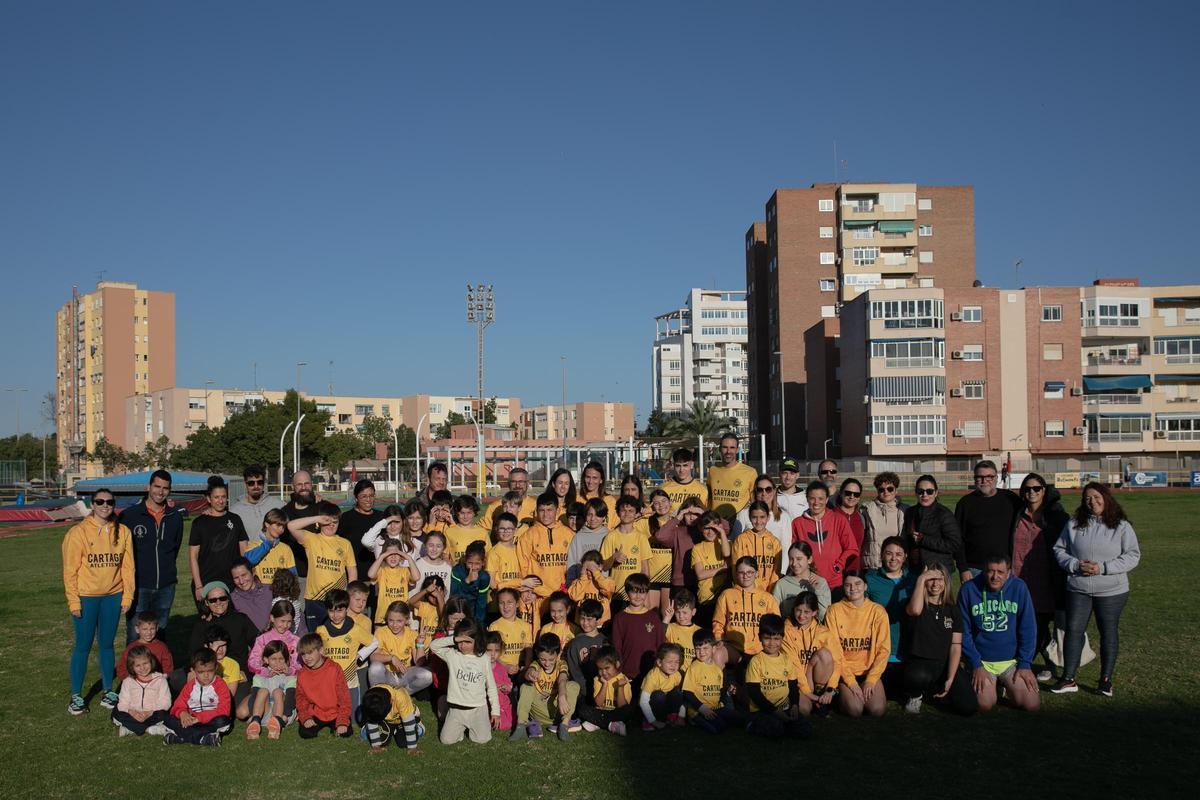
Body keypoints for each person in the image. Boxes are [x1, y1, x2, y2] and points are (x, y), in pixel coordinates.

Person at [1052, 482, 1141, 698]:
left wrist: (1103, 568)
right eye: (1088, 498)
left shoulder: (1121, 526)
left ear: (1106, 498)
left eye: (1097, 497)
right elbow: (1059, 549)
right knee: (1073, 630)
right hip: (1078, 588)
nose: (1092, 502)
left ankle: (1105, 680)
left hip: (1112, 591)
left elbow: (1132, 555)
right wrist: (1075, 565)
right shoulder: (1074, 524)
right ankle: (1068, 678)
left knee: (1108, 632)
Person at [63, 488, 133, 715]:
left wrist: (127, 595)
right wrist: (74, 601)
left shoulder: (123, 531)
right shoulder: (77, 533)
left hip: (112, 597)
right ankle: (76, 695)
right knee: (83, 646)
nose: (105, 506)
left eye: (109, 502)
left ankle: (108, 690)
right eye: (100, 501)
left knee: (107, 644)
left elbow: (128, 567)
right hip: (86, 597)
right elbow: (70, 571)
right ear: (92, 504)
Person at [958, 555, 1040, 712]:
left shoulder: (1019, 587)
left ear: (1008, 572)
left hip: (1010, 662)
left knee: (1032, 705)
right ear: (983, 571)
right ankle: (987, 683)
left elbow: (1028, 628)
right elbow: (963, 631)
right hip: (982, 662)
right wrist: (976, 664)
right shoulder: (968, 589)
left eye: (1000, 572)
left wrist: (1024, 663)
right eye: (990, 571)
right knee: (984, 704)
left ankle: (1003, 684)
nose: (995, 577)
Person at [1011, 473, 1069, 681]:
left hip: (1045, 579)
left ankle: (1028, 664)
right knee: (1023, 623)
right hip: (1019, 578)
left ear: (1044, 490)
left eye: (1036, 488)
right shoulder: (1017, 514)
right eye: (1027, 489)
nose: (1032, 492)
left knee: (1039, 624)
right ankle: (1045, 662)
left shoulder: (1056, 516)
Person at [901, 564, 976, 716]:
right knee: (917, 677)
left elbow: (956, 646)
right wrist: (921, 578)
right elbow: (914, 611)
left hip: (944, 665)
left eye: (940, 579)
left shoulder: (952, 610)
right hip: (921, 663)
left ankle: (939, 689)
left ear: (946, 582)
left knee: (968, 707)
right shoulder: (916, 604)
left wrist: (950, 678)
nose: (935, 584)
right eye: (931, 579)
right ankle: (916, 695)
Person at [119, 469, 184, 641]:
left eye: (165, 488)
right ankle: (133, 661)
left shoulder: (175, 517)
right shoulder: (130, 515)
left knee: (159, 633)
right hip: (139, 585)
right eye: (157, 486)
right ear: (148, 487)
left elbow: (174, 548)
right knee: (135, 634)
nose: (160, 492)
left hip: (166, 585)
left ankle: (158, 660)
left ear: (170, 490)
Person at [824, 569, 889, 717]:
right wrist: (850, 682)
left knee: (877, 710)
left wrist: (871, 680)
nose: (853, 588)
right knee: (855, 710)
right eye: (848, 585)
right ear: (843, 587)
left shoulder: (878, 612)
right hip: (845, 672)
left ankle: (864, 690)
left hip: (868, 672)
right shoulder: (834, 611)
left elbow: (883, 650)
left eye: (858, 584)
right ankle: (839, 694)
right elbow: (835, 651)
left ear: (865, 586)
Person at [286, 502, 357, 629]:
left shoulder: (345, 543)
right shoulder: (311, 539)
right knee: (315, 636)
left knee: (335, 635)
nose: (331, 525)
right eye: (327, 521)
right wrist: (317, 518)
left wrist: (349, 598)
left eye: (335, 522)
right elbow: (291, 526)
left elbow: (352, 572)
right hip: (314, 598)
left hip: (336, 600)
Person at [183, 581, 258, 694]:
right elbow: (193, 653)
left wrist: (249, 672)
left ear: (228, 599)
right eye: (213, 600)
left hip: (238, 673)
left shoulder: (240, 619)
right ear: (207, 603)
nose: (218, 602)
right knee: (177, 677)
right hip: (208, 672)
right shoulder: (202, 625)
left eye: (222, 598)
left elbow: (258, 644)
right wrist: (193, 670)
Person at [432, 620, 500, 744]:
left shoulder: (484, 659)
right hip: (456, 709)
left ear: (476, 640)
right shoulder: (452, 655)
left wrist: (495, 711)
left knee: (482, 739)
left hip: (478, 709)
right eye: (460, 641)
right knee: (446, 740)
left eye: (468, 641)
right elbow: (433, 646)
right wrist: (454, 639)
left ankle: (470, 727)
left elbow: (491, 687)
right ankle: (448, 712)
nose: (463, 645)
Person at [955, 460, 1022, 583]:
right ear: (974, 479)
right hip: (974, 569)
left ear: (996, 478)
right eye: (979, 477)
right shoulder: (965, 504)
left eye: (989, 477)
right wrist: (963, 568)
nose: (984, 480)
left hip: (1004, 569)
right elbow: (957, 539)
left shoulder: (1011, 500)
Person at [744, 614, 810, 738]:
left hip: (785, 709)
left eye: (776, 639)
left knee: (805, 729)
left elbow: (793, 687)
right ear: (760, 637)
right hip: (763, 710)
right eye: (767, 638)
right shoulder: (756, 662)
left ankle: (785, 725)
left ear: (782, 638)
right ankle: (752, 724)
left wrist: (795, 705)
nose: (772, 643)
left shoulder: (786, 660)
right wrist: (774, 711)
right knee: (776, 728)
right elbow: (754, 693)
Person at [188, 476, 250, 608]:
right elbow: (193, 556)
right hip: (206, 581)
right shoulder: (199, 523)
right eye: (216, 497)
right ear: (209, 499)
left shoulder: (235, 519)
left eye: (223, 497)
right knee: (209, 619)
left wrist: (247, 577)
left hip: (232, 582)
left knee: (233, 618)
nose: (220, 501)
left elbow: (244, 552)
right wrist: (198, 585)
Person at [243, 600, 301, 738]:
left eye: (289, 622)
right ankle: (257, 719)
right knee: (242, 712)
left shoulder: (295, 640)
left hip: (285, 685)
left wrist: (289, 670)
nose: (285, 625)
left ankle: (279, 719)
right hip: (266, 682)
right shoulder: (262, 639)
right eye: (282, 621)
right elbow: (252, 662)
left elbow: (300, 665)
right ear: (272, 618)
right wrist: (265, 671)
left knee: (278, 694)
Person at [865, 536, 916, 689]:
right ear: (882, 555)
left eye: (898, 554)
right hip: (880, 650)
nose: (893, 558)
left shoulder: (914, 580)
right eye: (889, 553)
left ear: (905, 557)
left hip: (907, 648)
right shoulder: (870, 579)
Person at [316, 588, 376, 715]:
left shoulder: (355, 629)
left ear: (346, 609)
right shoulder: (321, 630)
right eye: (331, 611)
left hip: (350, 680)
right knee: (331, 715)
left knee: (353, 718)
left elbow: (374, 642)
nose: (335, 615)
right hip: (329, 680)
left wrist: (360, 656)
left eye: (339, 611)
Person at [782, 592, 842, 717]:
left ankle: (821, 696)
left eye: (806, 612)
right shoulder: (786, 630)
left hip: (814, 677)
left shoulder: (823, 632)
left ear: (814, 612)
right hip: (796, 679)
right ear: (793, 609)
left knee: (825, 654)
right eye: (798, 610)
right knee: (804, 710)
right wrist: (807, 693)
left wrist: (830, 688)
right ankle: (816, 702)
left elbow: (837, 662)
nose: (801, 615)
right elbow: (794, 665)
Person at [791, 481, 857, 594]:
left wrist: (838, 565)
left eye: (821, 498)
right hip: (807, 582)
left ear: (827, 499)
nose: (816, 502)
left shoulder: (838, 520)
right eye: (812, 498)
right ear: (807, 499)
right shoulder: (797, 523)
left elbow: (852, 548)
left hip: (835, 583)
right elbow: (794, 553)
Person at [511, 632, 580, 741]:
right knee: (526, 686)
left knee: (573, 685)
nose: (547, 664)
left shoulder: (561, 664)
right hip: (539, 711)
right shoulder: (536, 664)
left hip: (559, 710)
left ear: (558, 654)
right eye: (543, 659)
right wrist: (530, 674)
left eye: (551, 660)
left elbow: (562, 679)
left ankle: (564, 725)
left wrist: (562, 696)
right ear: (537, 654)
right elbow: (529, 671)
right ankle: (521, 725)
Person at [712, 557, 781, 661]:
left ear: (756, 573)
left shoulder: (767, 598)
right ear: (736, 574)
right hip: (734, 649)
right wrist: (719, 639)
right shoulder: (727, 595)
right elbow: (718, 623)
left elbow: (776, 626)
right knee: (717, 653)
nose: (745, 576)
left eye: (750, 572)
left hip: (761, 650)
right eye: (741, 572)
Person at [162, 648, 232, 746]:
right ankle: (204, 738)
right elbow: (177, 706)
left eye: (210, 671)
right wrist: (182, 713)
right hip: (191, 721)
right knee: (168, 719)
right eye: (201, 672)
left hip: (210, 721)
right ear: (193, 670)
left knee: (223, 721)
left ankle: (180, 738)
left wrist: (199, 718)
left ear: (216, 668)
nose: (206, 675)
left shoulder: (220, 685)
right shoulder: (190, 686)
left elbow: (224, 710)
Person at [516, 493, 575, 608]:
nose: (545, 514)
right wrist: (527, 590)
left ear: (557, 511)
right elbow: (522, 566)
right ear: (536, 511)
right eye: (542, 510)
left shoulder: (569, 534)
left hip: (563, 594)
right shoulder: (528, 536)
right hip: (538, 595)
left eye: (549, 510)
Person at [295, 633, 352, 739]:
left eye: (310, 652)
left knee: (346, 732)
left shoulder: (334, 669)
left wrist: (342, 721)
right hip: (316, 713)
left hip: (335, 712)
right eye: (303, 654)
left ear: (321, 650)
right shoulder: (302, 674)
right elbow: (300, 698)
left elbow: (344, 697)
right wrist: (306, 717)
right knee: (306, 733)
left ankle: (338, 725)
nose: (306, 657)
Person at [683, 629, 741, 733]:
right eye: (697, 649)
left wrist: (728, 692)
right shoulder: (694, 668)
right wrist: (703, 709)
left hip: (715, 709)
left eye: (705, 648)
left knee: (738, 718)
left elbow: (720, 692)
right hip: (699, 711)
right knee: (720, 727)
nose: (701, 652)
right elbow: (687, 693)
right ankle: (695, 721)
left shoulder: (717, 669)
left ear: (713, 649)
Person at [369, 600, 433, 694]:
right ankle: (380, 695)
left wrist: (420, 644)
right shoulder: (381, 632)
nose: (395, 625)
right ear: (387, 619)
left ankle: (403, 694)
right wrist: (391, 658)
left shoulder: (412, 634)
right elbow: (373, 657)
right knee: (375, 667)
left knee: (428, 674)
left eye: (399, 621)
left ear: (406, 620)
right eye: (391, 620)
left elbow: (419, 663)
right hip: (388, 675)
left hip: (405, 674)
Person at [902, 475, 962, 573]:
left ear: (936, 493)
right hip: (913, 569)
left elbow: (954, 544)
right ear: (916, 493)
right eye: (920, 491)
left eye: (929, 491)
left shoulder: (944, 514)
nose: (924, 495)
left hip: (938, 570)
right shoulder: (910, 512)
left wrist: (923, 539)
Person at [610, 572, 664, 681]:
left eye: (642, 592)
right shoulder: (620, 618)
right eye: (634, 592)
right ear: (627, 592)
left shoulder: (653, 617)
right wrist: (619, 669)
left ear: (647, 593)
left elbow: (660, 644)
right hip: (627, 673)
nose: (638, 596)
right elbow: (616, 647)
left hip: (651, 674)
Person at [111, 645, 171, 737]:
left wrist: (149, 712)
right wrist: (132, 712)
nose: (142, 668)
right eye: (138, 665)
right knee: (116, 712)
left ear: (151, 662)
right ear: (132, 667)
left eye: (145, 663)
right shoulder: (128, 682)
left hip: (152, 713)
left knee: (164, 714)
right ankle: (148, 729)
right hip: (133, 714)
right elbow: (123, 703)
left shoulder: (161, 680)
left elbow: (166, 702)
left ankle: (130, 728)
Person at [602, 496, 653, 601]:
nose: (627, 513)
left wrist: (643, 593)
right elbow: (603, 567)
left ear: (636, 514)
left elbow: (645, 569)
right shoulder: (610, 536)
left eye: (631, 511)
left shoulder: (641, 537)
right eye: (623, 510)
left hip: (635, 594)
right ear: (618, 513)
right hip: (616, 593)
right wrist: (613, 558)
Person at [577, 645, 633, 735]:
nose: (603, 673)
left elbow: (622, 706)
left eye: (607, 668)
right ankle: (610, 725)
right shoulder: (597, 679)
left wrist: (620, 687)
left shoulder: (623, 679)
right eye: (600, 669)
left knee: (628, 711)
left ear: (617, 664)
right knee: (581, 707)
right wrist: (604, 685)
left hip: (616, 713)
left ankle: (597, 722)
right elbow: (598, 704)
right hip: (601, 711)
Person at [733, 475, 793, 559]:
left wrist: (782, 568)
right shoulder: (743, 514)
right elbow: (736, 545)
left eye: (768, 489)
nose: (764, 493)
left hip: (773, 565)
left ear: (774, 491)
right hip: (748, 565)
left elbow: (786, 549)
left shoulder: (784, 517)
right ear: (755, 492)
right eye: (760, 490)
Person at [280, 470, 319, 595]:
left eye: (307, 483)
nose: (303, 487)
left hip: (321, 573)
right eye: (299, 484)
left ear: (312, 485)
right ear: (293, 487)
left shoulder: (321, 508)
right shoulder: (285, 513)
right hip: (296, 576)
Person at [338, 479, 385, 580]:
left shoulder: (381, 517)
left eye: (371, 495)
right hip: (353, 577)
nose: (369, 499)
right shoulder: (346, 518)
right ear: (356, 498)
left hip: (377, 577)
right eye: (364, 496)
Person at [731, 500, 783, 591]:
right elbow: (735, 569)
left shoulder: (775, 542)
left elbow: (776, 572)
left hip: (768, 592)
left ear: (768, 517)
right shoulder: (741, 540)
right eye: (754, 517)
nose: (758, 521)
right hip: (746, 591)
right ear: (749, 517)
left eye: (762, 517)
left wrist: (770, 591)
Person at [773, 541, 831, 622]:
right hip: (788, 629)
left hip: (814, 629)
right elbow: (774, 615)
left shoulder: (821, 583)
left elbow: (824, 617)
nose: (794, 563)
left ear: (809, 559)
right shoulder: (781, 584)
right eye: (791, 559)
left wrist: (817, 591)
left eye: (799, 559)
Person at [706, 432, 757, 519]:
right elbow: (708, 499)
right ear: (720, 449)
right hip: (716, 522)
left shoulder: (750, 472)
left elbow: (754, 502)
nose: (728, 451)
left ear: (737, 450)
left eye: (732, 448)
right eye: (725, 447)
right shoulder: (712, 471)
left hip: (738, 522)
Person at [862, 472, 907, 571]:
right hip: (873, 565)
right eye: (881, 489)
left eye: (890, 489)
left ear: (896, 491)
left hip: (896, 564)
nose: (886, 492)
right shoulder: (866, 510)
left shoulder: (905, 510)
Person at [689, 510, 732, 614]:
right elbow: (700, 574)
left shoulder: (726, 543)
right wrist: (723, 568)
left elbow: (727, 554)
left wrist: (722, 532)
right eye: (706, 528)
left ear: (719, 527)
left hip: (724, 596)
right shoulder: (697, 548)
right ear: (701, 528)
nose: (710, 532)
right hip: (706, 598)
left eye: (713, 528)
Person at [369, 540, 420, 626]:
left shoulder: (405, 571)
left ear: (401, 556)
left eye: (396, 554)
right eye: (389, 554)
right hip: (383, 617)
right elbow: (370, 574)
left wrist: (408, 558)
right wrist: (382, 557)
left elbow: (416, 577)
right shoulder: (381, 571)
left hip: (401, 617)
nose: (393, 557)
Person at [360, 684, 423, 753]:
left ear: (391, 701)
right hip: (386, 720)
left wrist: (412, 748)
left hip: (402, 719)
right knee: (381, 741)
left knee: (404, 743)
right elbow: (372, 718)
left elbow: (409, 723)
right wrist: (376, 746)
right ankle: (392, 730)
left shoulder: (401, 696)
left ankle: (417, 725)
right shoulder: (370, 695)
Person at [638, 643, 685, 731]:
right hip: (652, 707)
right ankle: (650, 720)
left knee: (677, 693)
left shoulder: (677, 675)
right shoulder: (652, 676)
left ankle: (672, 717)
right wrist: (653, 721)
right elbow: (643, 702)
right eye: (670, 662)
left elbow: (682, 698)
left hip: (665, 706)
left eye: (676, 662)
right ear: (659, 662)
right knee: (658, 695)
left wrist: (681, 716)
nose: (673, 665)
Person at [229, 464, 284, 541]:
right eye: (251, 483)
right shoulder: (234, 511)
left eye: (260, 482)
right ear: (245, 484)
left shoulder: (279, 505)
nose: (256, 486)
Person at [489, 587, 534, 678]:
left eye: (509, 602)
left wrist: (526, 667)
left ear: (517, 604)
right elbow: (490, 653)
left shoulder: (526, 626)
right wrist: (505, 666)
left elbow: (528, 650)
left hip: (520, 671)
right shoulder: (494, 626)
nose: (505, 606)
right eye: (502, 603)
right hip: (500, 671)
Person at [564, 599, 607, 694]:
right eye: (582, 618)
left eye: (589, 619)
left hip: (603, 690)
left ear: (598, 620)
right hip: (583, 692)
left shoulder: (605, 642)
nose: (585, 623)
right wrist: (585, 689)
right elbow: (574, 670)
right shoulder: (575, 643)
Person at [116, 611, 173, 682]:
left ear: (157, 628)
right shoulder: (131, 647)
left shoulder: (162, 647)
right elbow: (122, 667)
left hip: (156, 682)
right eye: (145, 629)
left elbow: (168, 667)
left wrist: (163, 678)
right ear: (137, 629)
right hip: (135, 683)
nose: (149, 632)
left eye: (152, 629)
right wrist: (128, 680)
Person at [565, 499, 609, 583]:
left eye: (597, 515)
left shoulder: (609, 535)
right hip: (582, 584)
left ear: (604, 517)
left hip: (602, 584)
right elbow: (572, 562)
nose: (593, 518)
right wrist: (570, 583)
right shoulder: (579, 537)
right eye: (589, 515)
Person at [567, 551, 615, 626]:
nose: (589, 572)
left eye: (592, 569)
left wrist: (596, 574)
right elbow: (574, 596)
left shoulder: (608, 581)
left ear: (600, 567)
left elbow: (608, 590)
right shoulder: (579, 582)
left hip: (601, 624)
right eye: (586, 569)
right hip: (583, 624)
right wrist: (583, 577)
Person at [830, 477, 869, 570]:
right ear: (841, 493)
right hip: (834, 569)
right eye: (848, 493)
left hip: (855, 570)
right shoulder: (830, 516)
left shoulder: (861, 518)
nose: (852, 496)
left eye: (856, 494)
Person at [252, 509, 297, 587]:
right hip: (260, 591)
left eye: (283, 527)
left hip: (280, 590)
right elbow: (251, 560)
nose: (281, 529)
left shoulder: (285, 548)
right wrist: (268, 543)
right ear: (267, 524)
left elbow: (293, 576)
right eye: (278, 525)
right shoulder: (253, 545)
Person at [229, 557, 274, 632]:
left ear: (253, 572)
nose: (241, 581)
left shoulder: (269, 590)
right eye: (236, 578)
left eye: (244, 575)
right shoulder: (232, 599)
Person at [451, 541, 491, 621]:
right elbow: (455, 596)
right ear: (465, 560)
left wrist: (478, 623)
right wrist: (467, 581)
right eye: (470, 563)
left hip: (473, 613)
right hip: (457, 611)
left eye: (477, 564)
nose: (473, 567)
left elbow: (481, 604)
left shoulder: (484, 577)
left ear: (483, 563)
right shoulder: (457, 571)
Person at [484, 631, 515, 732]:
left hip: (504, 703)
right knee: (504, 724)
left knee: (514, 720)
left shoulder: (501, 667)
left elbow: (508, 684)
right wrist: (491, 689)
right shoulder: (481, 667)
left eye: (496, 650)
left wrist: (507, 688)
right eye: (489, 650)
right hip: (489, 705)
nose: (493, 654)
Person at [663, 589, 700, 670]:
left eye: (684, 612)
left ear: (693, 612)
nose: (681, 616)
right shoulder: (671, 627)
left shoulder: (699, 631)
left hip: (693, 674)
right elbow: (658, 635)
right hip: (674, 673)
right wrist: (667, 618)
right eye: (678, 612)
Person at [487, 512, 524, 593]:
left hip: (518, 593)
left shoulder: (519, 550)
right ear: (496, 529)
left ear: (515, 530)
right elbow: (491, 582)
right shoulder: (494, 553)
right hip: (501, 595)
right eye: (502, 528)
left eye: (509, 529)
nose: (506, 531)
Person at [445, 494, 488, 563]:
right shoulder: (449, 531)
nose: (465, 516)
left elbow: (488, 555)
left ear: (474, 513)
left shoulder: (482, 532)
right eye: (462, 513)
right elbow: (445, 555)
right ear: (456, 513)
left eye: (469, 513)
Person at [412, 530, 453, 600]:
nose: (434, 549)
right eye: (431, 545)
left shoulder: (448, 568)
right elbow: (413, 593)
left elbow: (447, 593)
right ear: (425, 545)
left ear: (444, 548)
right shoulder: (417, 565)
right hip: (421, 605)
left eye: (438, 546)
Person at [578, 460, 618, 527]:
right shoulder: (576, 499)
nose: (590, 481)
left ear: (601, 480)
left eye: (595, 478)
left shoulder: (610, 501)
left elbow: (615, 526)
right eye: (588, 477)